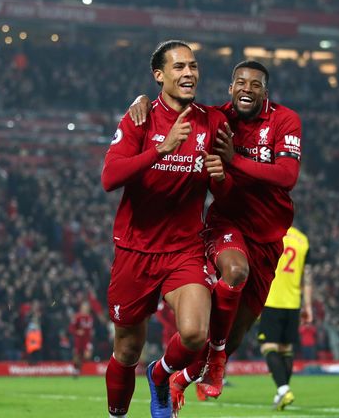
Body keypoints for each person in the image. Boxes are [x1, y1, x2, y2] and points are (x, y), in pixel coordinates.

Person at [129, 60, 302, 409]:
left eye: (255, 85)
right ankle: (215, 361)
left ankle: (177, 378)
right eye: (240, 82)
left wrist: (233, 160)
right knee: (235, 272)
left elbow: (286, 176)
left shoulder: (285, 120)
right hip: (228, 222)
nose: (246, 89)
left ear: (264, 92)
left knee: (232, 336)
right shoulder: (217, 117)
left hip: (268, 238)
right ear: (230, 88)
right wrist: (143, 99)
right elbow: (173, 105)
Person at [101, 40, 231, 418]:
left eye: (193, 66)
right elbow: (110, 177)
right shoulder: (139, 118)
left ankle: (161, 375)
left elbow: (223, 190)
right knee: (127, 350)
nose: (188, 73)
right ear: (159, 75)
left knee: (194, 334)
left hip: (184, 249)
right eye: (178, 67)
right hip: (135, 249)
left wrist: (222, 179)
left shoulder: (213, 121)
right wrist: (161, 149)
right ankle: (118, 414)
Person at [256, 226, 310, 410]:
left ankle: (283, 389)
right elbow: (307, 277)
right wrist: (307, 305)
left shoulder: (270, 233)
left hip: (272, 299)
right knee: (286, 349)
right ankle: (282, 393)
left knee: (268, 346)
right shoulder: (303, 240)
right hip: (293, 303)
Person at [69, 302, 94, 377]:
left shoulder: (90, 317)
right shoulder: (77, 317)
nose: (86, 309)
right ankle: (76, 369)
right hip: (79, 340)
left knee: (87, 356)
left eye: (87, 307)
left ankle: (78, 368)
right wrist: (77, 331)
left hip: (87, 340)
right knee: (77, 355)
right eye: (84, 307)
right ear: (81, 308)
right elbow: (71, 328)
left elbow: (90, 329)